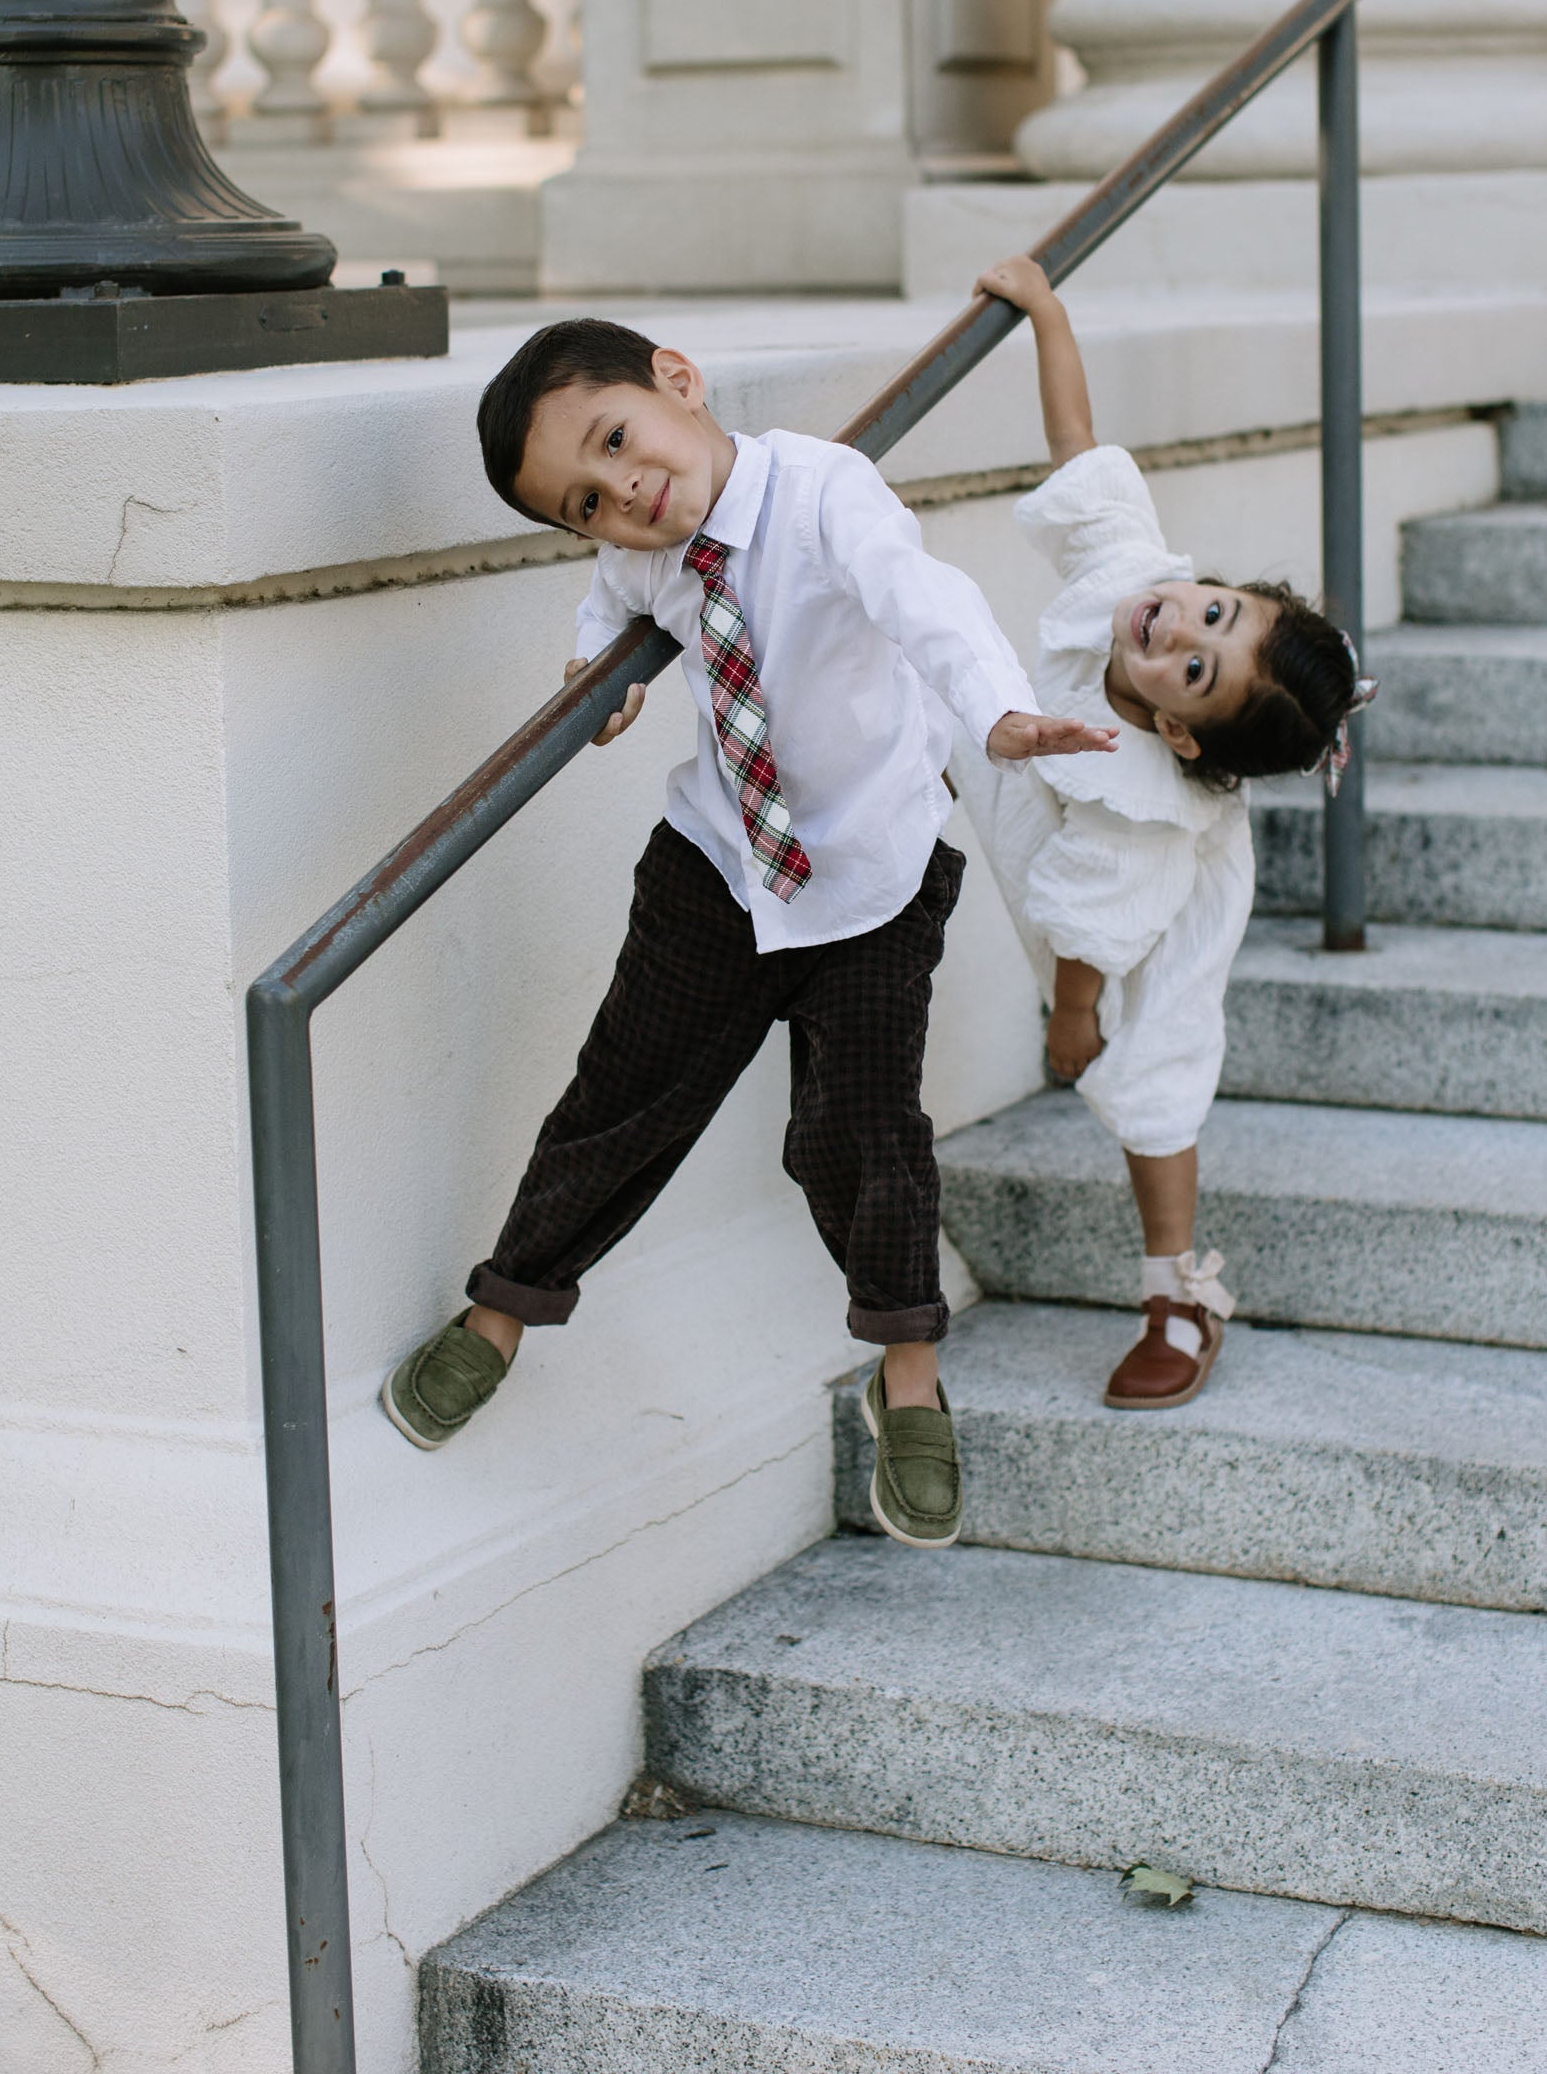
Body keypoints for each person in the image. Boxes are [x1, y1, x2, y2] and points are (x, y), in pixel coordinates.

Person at [380, 316, 1115, 1548]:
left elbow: (923, 600)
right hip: (718, 868)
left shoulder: (823, 492)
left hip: (873, 876)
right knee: (621, 1094)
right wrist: (591, 679)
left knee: (857, 1130)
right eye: (585, 501)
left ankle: (907, 1370)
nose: (622, 493)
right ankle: (501, 1311)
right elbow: (607, 605)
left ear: (677, 381)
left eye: (616, 442)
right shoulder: (641, 555)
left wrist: (996, 712)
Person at [950, 257, 1369, 1410]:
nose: (1177, 624)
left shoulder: (1145, 804)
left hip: (1147, 897)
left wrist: (1070, 1020)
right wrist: (1046, 313)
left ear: (1184, 734)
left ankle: (1176, 1294)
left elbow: (1092, 928)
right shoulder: (1139, 580)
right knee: (943, 693)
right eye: (1213, 611)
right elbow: (1079, 451)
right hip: (1057, 801)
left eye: (1195, 663)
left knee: (1151, 1075)